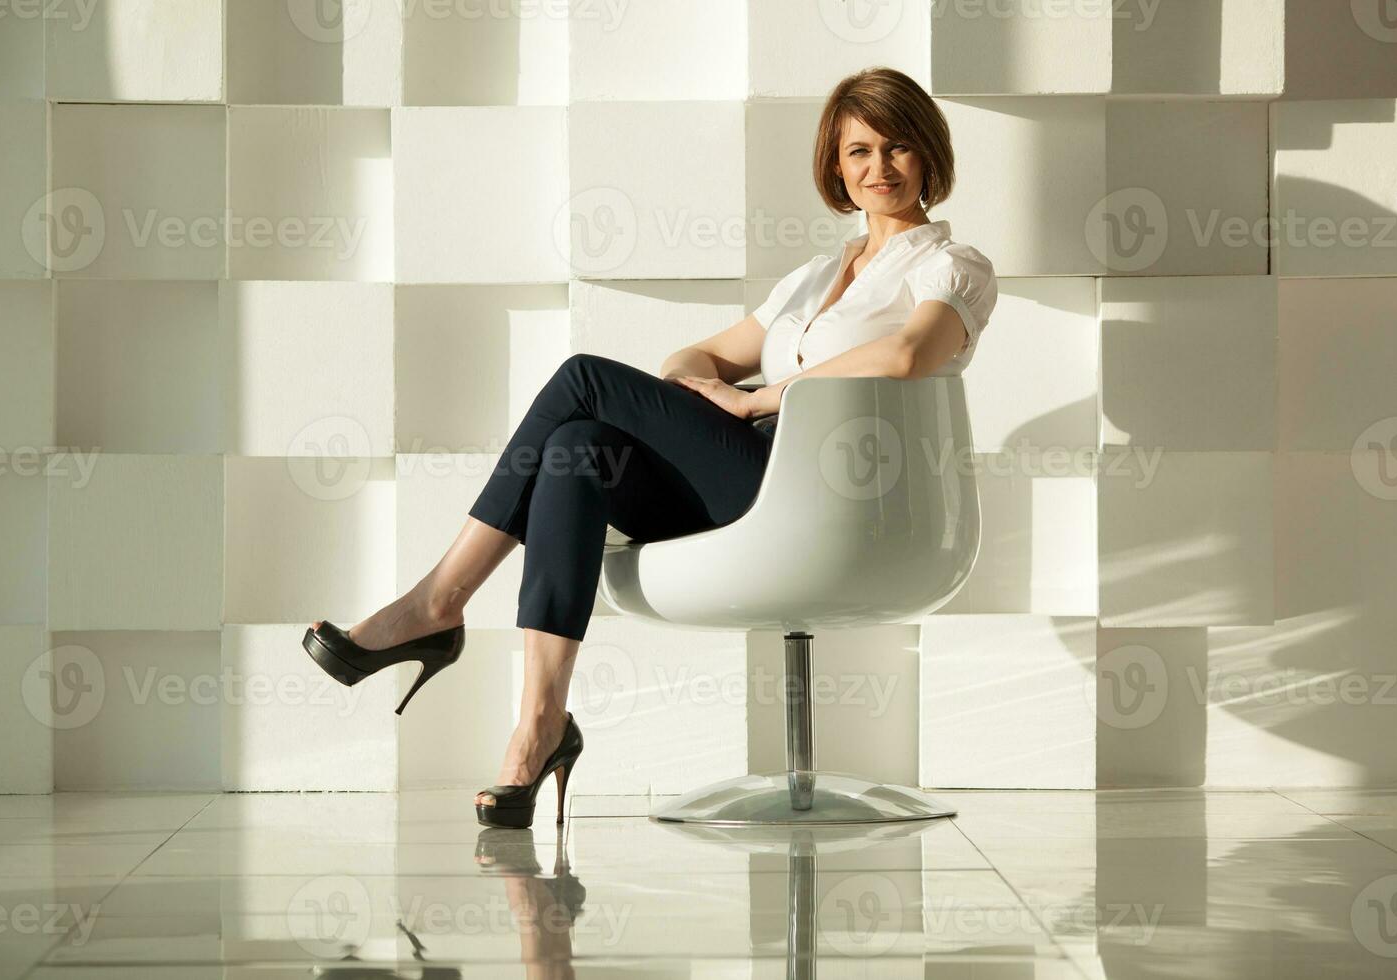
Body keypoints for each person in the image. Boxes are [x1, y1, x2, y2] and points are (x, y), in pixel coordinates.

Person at [302, 66, 998, 828]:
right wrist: (705, 396)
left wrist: (762, 396)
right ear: (836, 166)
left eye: (898, 148)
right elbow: (692, 359)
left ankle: (439, 603)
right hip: (753, 474)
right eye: (859, 151)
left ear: (929, 154)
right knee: (576, 447)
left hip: (838, 494)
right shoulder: (811, 278)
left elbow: (906, 354)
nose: (879, 169)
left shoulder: (951, 266)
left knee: (581, 380)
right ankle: (539, 726)